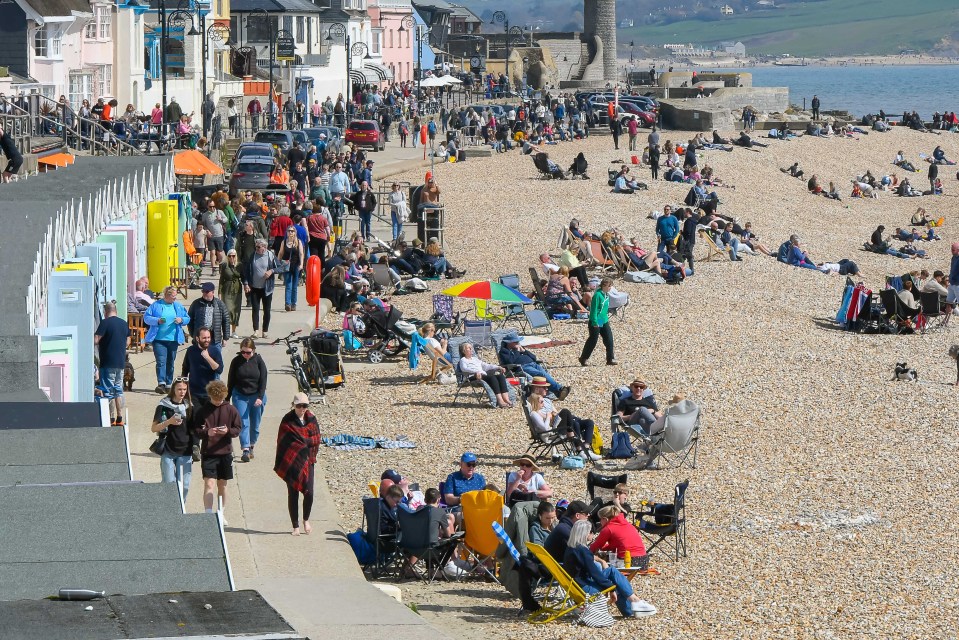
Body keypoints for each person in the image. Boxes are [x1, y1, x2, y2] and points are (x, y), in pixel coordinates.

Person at [564, 520, 657, 618]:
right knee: (612, 573)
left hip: (576, 586)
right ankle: (634, 603)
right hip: (585, 588)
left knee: (613, 578)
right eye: (591, 532)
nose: (593, 534)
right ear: (585, 533)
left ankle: (632, 609)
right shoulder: (582, 551)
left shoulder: (571, 549)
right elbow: (594, 573)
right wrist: (611, 588)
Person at [274, 392, 321, 535]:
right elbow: (284, 442)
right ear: (293, 405)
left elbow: (317, 438)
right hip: (292, 462)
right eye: (299, 406)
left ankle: (306, 519)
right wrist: (302, 444)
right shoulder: (287, 420)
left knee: (310, 493)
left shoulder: (311, 418)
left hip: (308, 461)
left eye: (305, 406)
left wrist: (304, 442)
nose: (302, 408)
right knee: (293, 494)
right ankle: (295, 526)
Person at [193, 380, 241, 517]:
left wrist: (227, 431)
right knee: (209, 484)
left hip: (225, 452)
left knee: (222, 485)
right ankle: (208, 514)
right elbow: (196, 430)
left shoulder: (231, 409)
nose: (218, 401)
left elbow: (237, 429)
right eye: (215, 399)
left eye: (221, 399)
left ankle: (221, 513)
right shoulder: (203, 411)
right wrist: (206, 432)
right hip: (209, 452)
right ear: (210, 396)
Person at [528, 379, 600, 462]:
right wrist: (548, 416)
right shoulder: (534, 404)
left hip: (558, 421)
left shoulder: (546, 400)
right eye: (544, 387)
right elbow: (543, 421)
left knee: (588, 422)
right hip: (553, 429)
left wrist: (551, 415)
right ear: (537, 389)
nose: (547, 389)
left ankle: (586, 449)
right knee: (568, 415)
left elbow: (555, 413)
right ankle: (578, 448)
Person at [151, 379, 194, 502]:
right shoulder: (163, 405)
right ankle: (169, 508)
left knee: (185, 485)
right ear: (173, 390)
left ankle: (181, 506)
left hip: (186, 450)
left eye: (184, 390)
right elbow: (154, 428)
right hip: (168, 450)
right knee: (169, 483)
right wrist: (169, 422)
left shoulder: (189, 406)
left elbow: (194, 429)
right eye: (179, 389)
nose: (182, 392)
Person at [227, 337, 268, 463]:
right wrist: (227, 398)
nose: (245, 355)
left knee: (255, 425)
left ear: (254, 351)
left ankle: (251, 445)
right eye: (243, 352)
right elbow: (231, 380)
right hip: (240, 395)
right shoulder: (236, 361)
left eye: (248, 352)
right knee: (243, 422)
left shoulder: (259, 361)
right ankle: (245, 449)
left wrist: (260, 397)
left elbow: (263, 380)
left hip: (256, 395)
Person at [144, 286, 190, 394]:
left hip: (173, 339)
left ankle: (169, 384)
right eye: (173, 296)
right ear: (167, 295)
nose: (175, 298)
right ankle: (161, 383)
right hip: (159, 339)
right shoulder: (156, 305)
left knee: (171, 361)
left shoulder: (178, 306)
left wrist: (181, 319)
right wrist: (157, 320)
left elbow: (187, 318)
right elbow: (146, 317)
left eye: (175, 296)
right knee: (161, 361)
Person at [498, 331, 570, 399]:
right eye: (516, 342)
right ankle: (559, 389)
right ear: (509, 343)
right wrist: (517, 351)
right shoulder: (504, 351)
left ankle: (558, 392)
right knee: (541, 374)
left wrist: (525, 351)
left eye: (518, 341)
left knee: (544, 373)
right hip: (522, 367)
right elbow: (510, 361)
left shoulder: (520, 348)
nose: (518, 343)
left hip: (533, 363)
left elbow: (534, 357)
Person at [94, 302, 130, 426]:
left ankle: (110, 418)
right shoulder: (124, 323)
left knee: (108, 391)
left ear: (105, 312)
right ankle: (120, 418)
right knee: (118, 390)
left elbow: (96, 340)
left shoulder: (105, 323)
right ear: (116, 311)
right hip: (120, 362)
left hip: (107, 362)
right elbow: (127, 342)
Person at [457, 342, 513, 408]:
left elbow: (486, 366)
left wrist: (498, 367)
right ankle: (500, 400)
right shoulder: (463, 360)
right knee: (492, 378)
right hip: (472, 376)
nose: (471, 349)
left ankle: (506, 399)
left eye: (471, 347)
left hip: (482, 375)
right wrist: (476, 372)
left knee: (500, 376)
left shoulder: (475, 359)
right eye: (469, 348)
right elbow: (464, 369)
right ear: (464, 351)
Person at [242, 239, 278, 339]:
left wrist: (271, 271)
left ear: (264, 247)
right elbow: (246, 270)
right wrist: (246, 283)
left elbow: (280, 267)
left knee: (266, 310)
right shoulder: (252, 255)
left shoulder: (270, 255)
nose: (256, 249)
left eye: (258, 247)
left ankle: (265, 331)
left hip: (267, 288)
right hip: (254, 288)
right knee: (255, 309)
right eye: (256, 247)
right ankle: (256, 331)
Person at [181, 326, 223, 405]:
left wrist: (208, 357)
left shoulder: (215, 351)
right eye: (204, 338)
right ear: (197, 339)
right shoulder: (191, 350)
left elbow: (219, 370)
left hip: (209, 393)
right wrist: (184, 386)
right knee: (196, 416)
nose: (207, 340)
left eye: (208, 337)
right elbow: (185, 369)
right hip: (194, 393)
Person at [579, 278, 616, 366]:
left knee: (609, 339)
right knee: (593, 340)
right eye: (609, 286)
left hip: (603, 319)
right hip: (596, 320)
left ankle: (610, 359)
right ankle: (583, 358)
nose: (610, 287)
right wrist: (595, 322)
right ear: (604, 286)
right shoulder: (597, 295)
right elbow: (594, 309)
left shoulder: (606, 294)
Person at [187, 282, 230, 347]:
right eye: (203, 291)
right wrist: (193, 335)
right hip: (200, 339)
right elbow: (190, 320)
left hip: (215, 339)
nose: (204, 293)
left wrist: (225, 338)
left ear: (213, 292)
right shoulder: (196, 303)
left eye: (207, 292)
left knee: (214, 357)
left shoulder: (220, 304)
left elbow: (226, 321)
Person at [277, 226, 305, 312]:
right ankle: (287, 303)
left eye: (292, 231)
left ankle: (294, 303)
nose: (290, 233)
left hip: (295, 265)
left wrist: (301, 264)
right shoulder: (284, 242)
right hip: (287, 266)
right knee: (288, 285)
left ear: (295, 232)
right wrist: (278, 263)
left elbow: (301, 254)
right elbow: (280, 253)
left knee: (294, 286)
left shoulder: (298, 242)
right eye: (289, 231)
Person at [219, 251, 243, 339]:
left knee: (236, 311)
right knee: (227, 310)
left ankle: (233, 331)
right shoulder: (224, 265)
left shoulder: (239, 265)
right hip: (227, 290)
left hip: (237, 290)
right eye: (230, 256)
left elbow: (241, 276)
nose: (231, 257)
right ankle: (226, 331)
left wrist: (234, 266)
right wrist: (219, 292)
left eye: (233, 256)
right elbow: (221, 279)